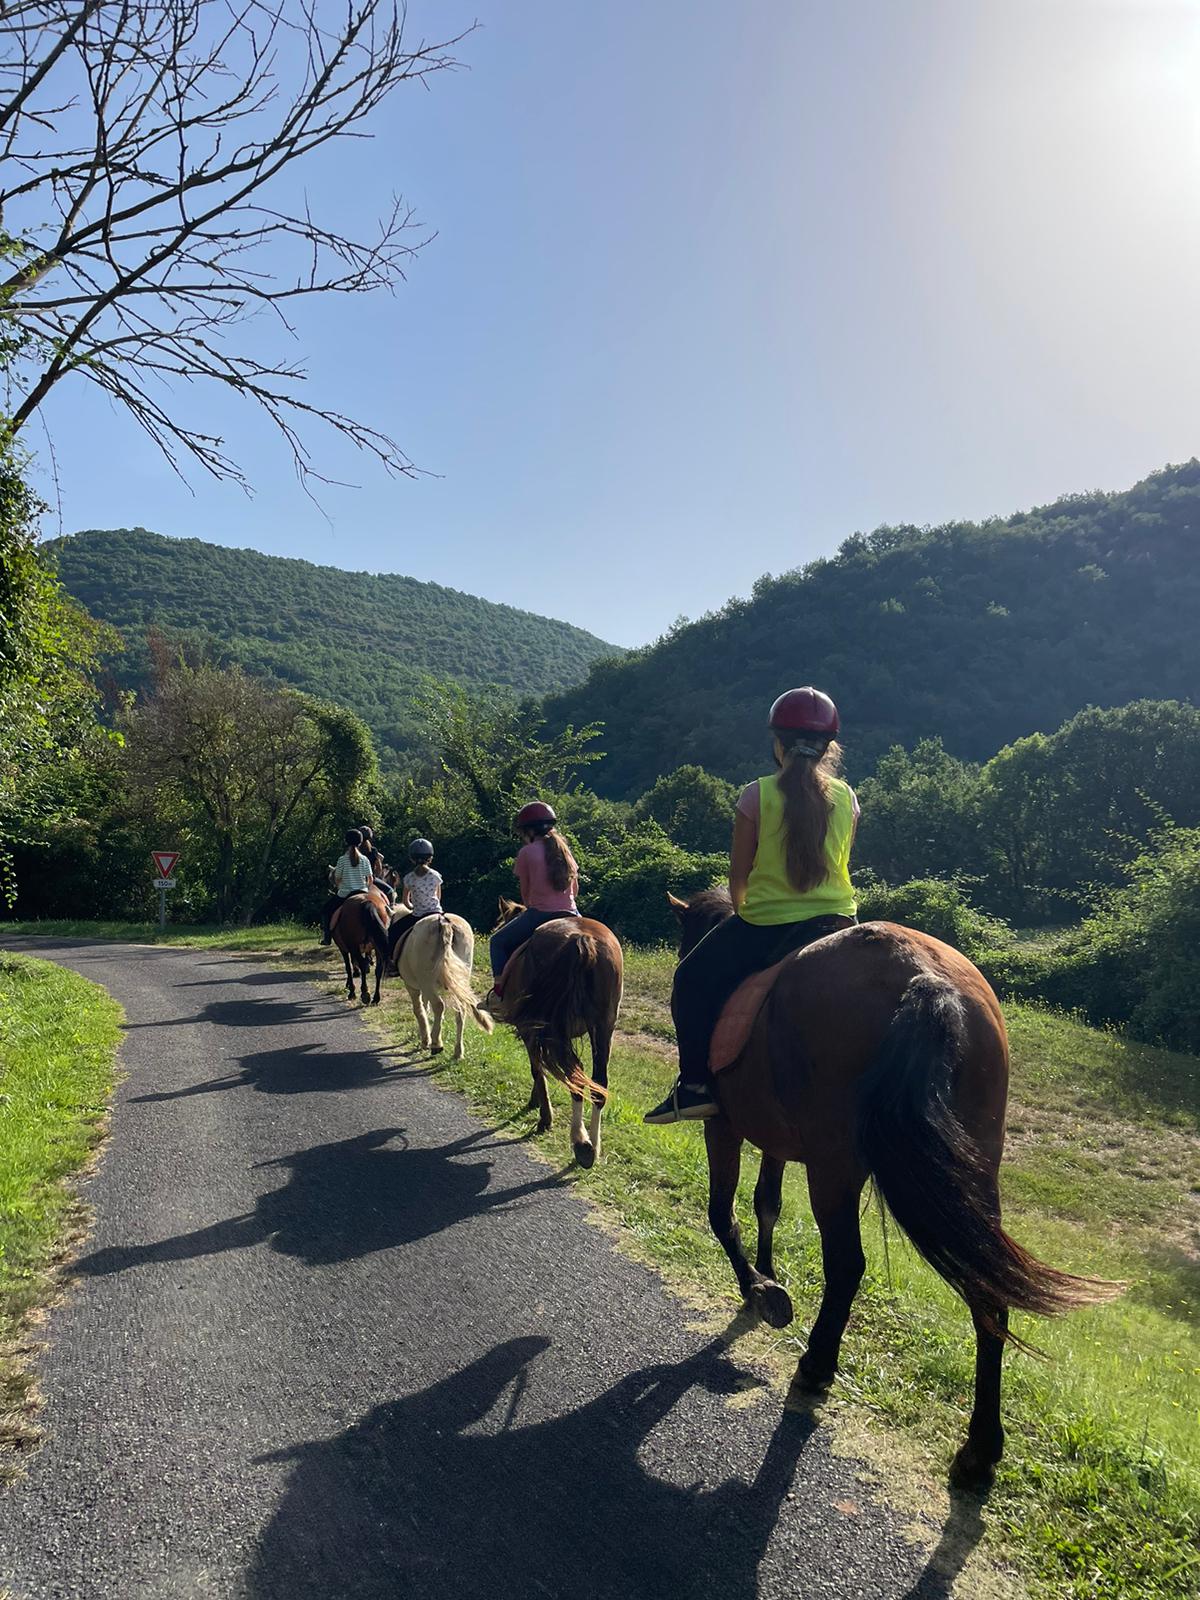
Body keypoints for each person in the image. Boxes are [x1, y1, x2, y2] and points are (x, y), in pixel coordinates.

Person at [643, 687, 859, 1124]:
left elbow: (738, 877)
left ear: (777, 743)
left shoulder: (755, 795)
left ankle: (695, 1085)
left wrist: (744, 912)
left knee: (690, 977)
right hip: (840, 920)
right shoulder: (848, 798)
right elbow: (841, 862)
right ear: (828, 749)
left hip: (769, 925)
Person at [484, 802, 580, 1003]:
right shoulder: (564, 850)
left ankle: (499, 995)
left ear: (528, 831)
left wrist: (533, 906)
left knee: (497, 942)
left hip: (540, 914)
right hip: (572, 913)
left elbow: (526, 893)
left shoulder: (527, 853)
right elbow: (575, 889)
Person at [386, 839, 444, 958]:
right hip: (437, 912)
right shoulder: (436, 876)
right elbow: (438, 897)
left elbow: (406, 902)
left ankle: (390, 963)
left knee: (392, 932)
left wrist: (414, 906)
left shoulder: (409, 878)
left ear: (412, 859)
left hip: (418, 915)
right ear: (430, 858)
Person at [319, 828, 376, 945]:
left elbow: (337, 878)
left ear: (346, 842)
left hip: (345, 894)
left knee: (326, 910)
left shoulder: (342, 860)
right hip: (362, 892)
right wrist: (366, 888)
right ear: (360, 843)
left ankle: (327, 937)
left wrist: (340, 886)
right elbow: (370, 879)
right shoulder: (365, 859)